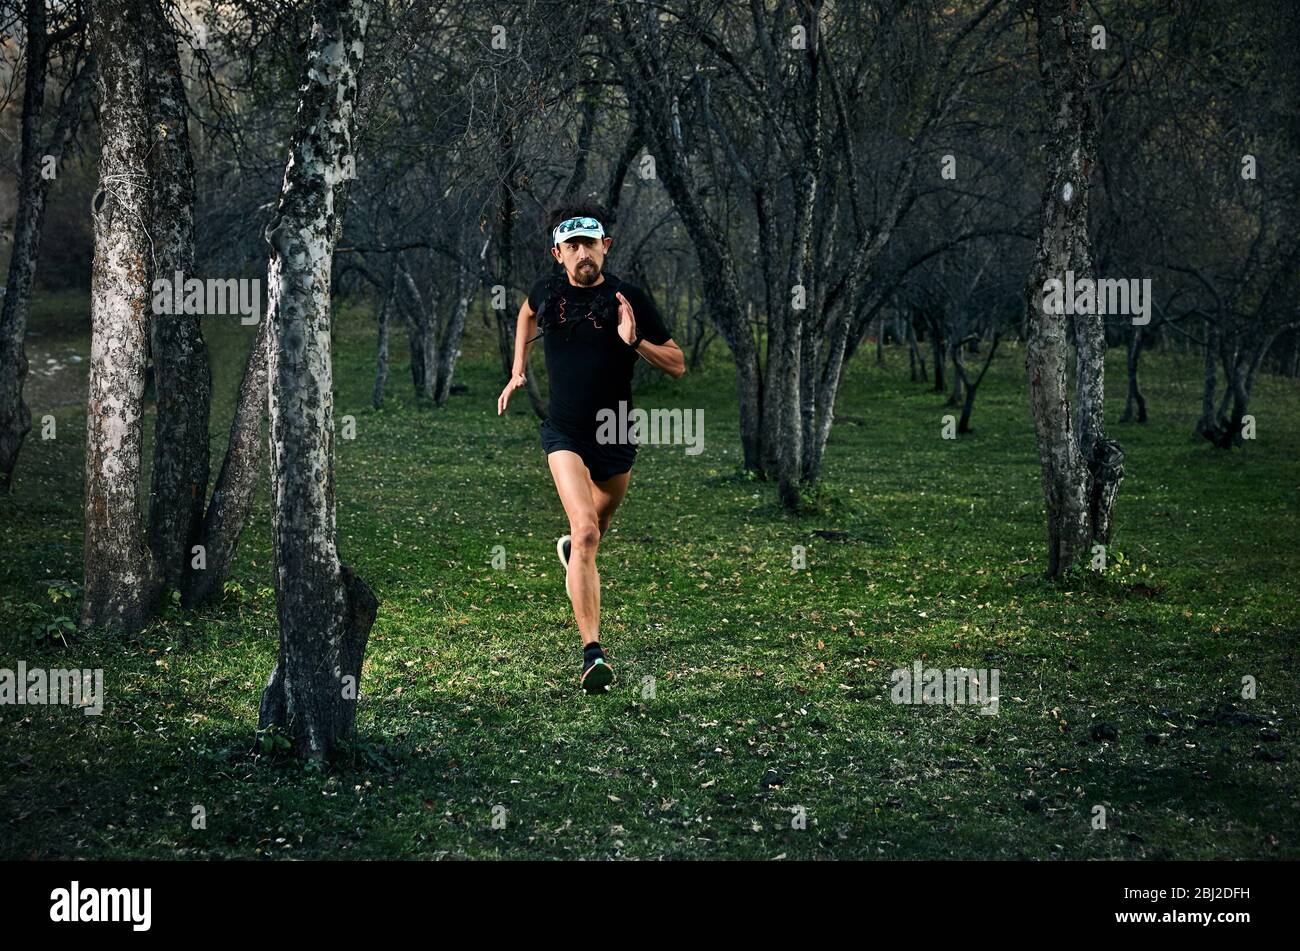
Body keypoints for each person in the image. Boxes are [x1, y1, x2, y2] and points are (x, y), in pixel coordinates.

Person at [497, 203, 685, 691]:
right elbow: (525, 312)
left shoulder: (630, 298)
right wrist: (518, 368)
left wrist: (635, 340)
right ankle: (592, 654)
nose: (583, 253)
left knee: (597, 529)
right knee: (585, 535)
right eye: (573, 245)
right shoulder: (548, 291)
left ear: (606, 246)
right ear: (558, 253)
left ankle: (573, 548)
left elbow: (677, 363)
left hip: (617, 433)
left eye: (591, 243)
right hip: (565, 432)